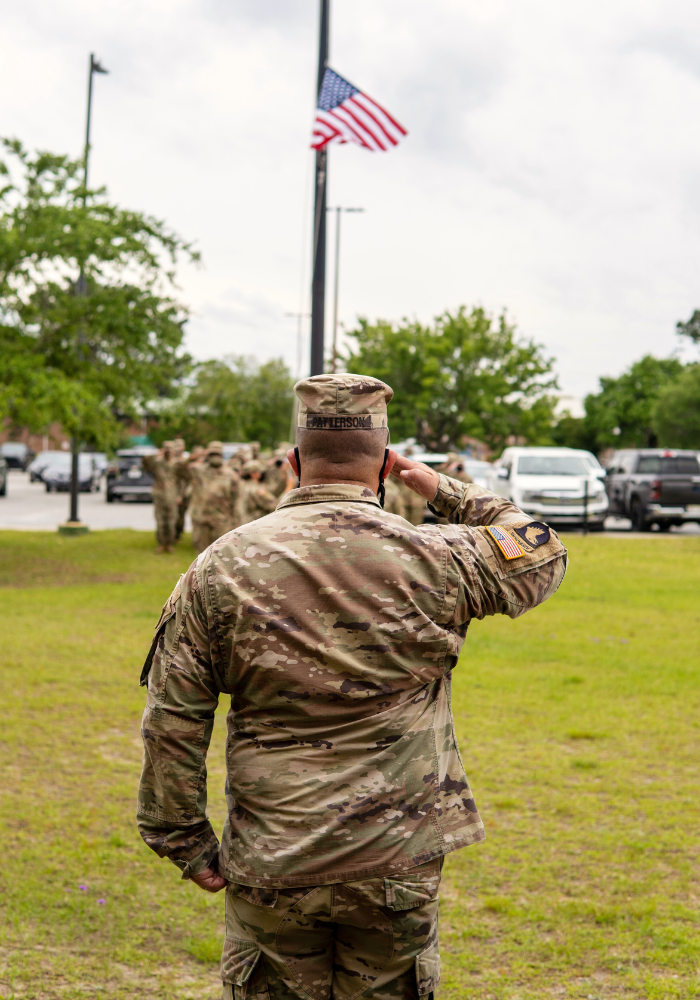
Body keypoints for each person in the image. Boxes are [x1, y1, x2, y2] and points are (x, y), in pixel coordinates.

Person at [137, 373, 567, 1000]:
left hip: (274, 855)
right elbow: (541, 548)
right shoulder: (440, 556)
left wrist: (183, 838)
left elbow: (173, 719)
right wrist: (435, 483)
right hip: (397, 857)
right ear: (386, 465)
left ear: (292, 462)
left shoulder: (222, 566)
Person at [185, 441, 241, 553]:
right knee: (201, 555)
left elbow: (237, 499)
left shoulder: (230, 474)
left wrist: (236, 522)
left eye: (218, 454)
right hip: (201, 518)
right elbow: (180, 466)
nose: (215, 457)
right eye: (212, 454)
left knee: (220, 554)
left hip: (221, 520)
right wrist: (199, 455)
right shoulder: (198, 470)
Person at [141, 441, 179, 553]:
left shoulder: (177, 464)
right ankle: (161, 544)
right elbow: (145, 463)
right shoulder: (157, 462)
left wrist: (180, 495)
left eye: (170, 449)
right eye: (166, 449)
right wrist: (158, 453)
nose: (168, 452)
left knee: (171, 522)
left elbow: (184, 478)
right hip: (160, 495)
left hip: (172, 495)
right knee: (160, 521)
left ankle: (169, 543)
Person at [238, 459, 277, 524]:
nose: (260, 473)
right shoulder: (257, 489)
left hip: (245, 522)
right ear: (253, 474)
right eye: (258, 471)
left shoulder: (242, 486)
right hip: (255, 522)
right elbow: (272, 505)